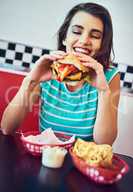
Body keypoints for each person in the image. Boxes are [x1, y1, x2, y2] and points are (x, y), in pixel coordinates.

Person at [1, 2, 120, 145]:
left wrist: (103, 91)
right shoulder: (48, 68)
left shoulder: (109, 76)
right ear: (64, 37)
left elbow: (104, 143)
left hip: (82, 163)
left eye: (95, 36)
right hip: (46, 156)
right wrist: (31, 81)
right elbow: (7, 128)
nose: (84, 41)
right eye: (76, 32)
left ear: (102, 44)